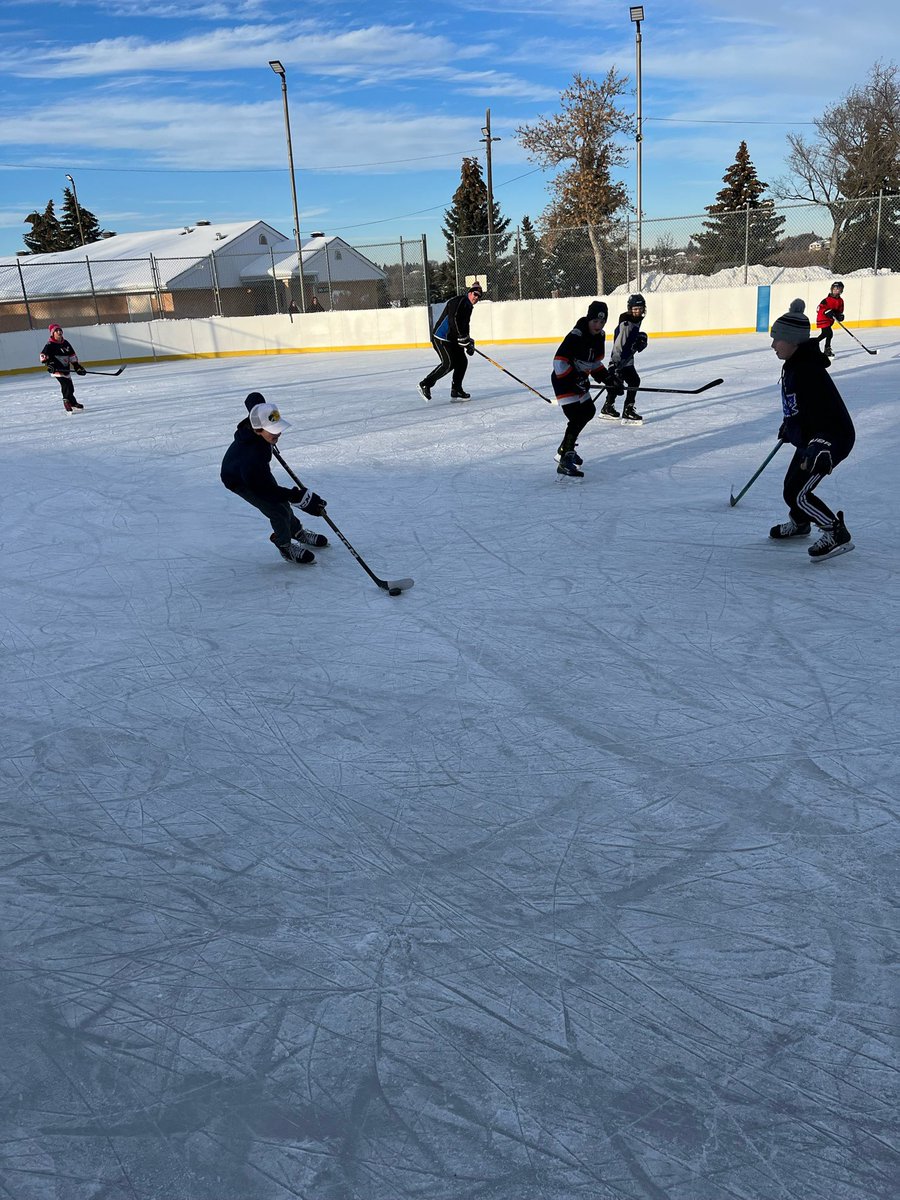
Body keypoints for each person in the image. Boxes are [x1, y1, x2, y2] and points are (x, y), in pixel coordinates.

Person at [769, 299, 855, 561]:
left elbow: (825, 414)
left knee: (799, 492)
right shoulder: (795, 364)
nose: (773, 344)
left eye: (778, 339)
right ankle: (801, 523)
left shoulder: (807, 371)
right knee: (789, 488)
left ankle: (835, 531)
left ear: (794, 341)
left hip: (829, 439)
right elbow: (800, 407)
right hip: (811, 437)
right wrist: (791, 425)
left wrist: (820, 446)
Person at [220, 392, 329, 566]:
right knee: (277, 511)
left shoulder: (256, 426)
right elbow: (263, 489)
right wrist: (298, 497)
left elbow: (253, 400)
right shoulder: (252, 457)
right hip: (241, 480)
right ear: (257, 430)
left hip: (257, 474)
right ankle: (284, 544)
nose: (277, 434)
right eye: (273, 431)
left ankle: (296, 531)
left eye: (278, 428)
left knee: (282, 504)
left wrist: (257, 406)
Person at [551, 300, 611, 477]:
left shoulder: (600, 336)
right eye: (595, 321)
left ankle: (565, 448)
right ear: (588, 319)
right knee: (576, 416)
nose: (598, 325)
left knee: (588, 410)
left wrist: (608, 379)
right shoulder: (576, 335)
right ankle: (565, 457)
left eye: (602, 322)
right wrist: (575, 379)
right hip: (564, 381)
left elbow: (594, 363)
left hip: (580, 381)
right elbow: (559, 363)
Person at [418, 281, 483, 402]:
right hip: (441, 337)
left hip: (453, 338)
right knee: (448, 363)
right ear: (469, 293)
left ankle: (456, 389)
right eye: (475, 294)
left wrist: (468, 340)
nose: (476, 298)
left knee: (462, 362)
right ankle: (425, 384)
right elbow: (453, 320)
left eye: (479, 296)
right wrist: (461, 337)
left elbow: (465, 325)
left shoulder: (469, 306)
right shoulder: (458, 302)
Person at [602, 293, 649, 423]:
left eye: (640, 309)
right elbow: (619, 344)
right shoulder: (626, 324)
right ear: (630, 309)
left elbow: (632, 338)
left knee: (626, 383)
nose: (637, 312)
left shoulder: (636, 320)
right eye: (635, 309)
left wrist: (641, 338)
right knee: (625, 382)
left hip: (627, 359)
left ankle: (608, 407)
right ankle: (625, 410)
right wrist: (614, 366)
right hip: (620, 360)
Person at [40, 323, 85, 412]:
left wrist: (76, 366)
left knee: (71, 387)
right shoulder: (50, 345)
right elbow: (43, 356)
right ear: (52, 333)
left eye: (60, 330)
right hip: (57, 369)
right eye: (56, 331)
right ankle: (66, 402)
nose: (59, 332)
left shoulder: (66, 343)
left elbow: (72, 355)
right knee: (65, 385)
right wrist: (49, 365)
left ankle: (73, 402)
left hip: (66, 368)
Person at [815, 281, 845, 359]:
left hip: (830, 320)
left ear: (841, 291)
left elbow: (840, 310)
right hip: (823, 318)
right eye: (834, 289)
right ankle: (825, 349)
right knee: (828, 333)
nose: (835, 290)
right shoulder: (826, 300)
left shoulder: (841, 301)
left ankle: (813, 344)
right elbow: (819, 309)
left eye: (837, 289)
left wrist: (839, 316)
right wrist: (825, 311)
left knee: (826, 334)